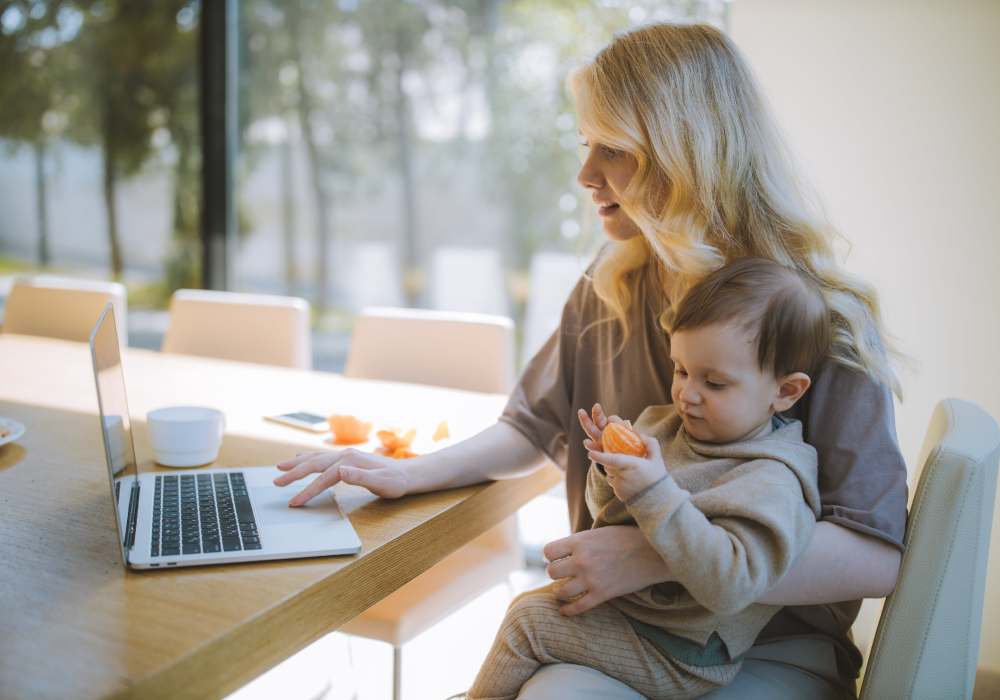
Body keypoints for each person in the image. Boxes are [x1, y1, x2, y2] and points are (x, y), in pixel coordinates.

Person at [274, 22, 907, 698]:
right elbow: (532, 427)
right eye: (586, 145)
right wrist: (410, 472)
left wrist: (655, 554)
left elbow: (874, 557)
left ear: (686, 154)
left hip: (768, 647)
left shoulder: (817, 320)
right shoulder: (611, 284)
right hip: (627, 622)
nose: (585, 175)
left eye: (615, 150)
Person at [466, 258, 830, 700]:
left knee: (528, 624)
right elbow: (610, 515)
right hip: (636, 617)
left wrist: (654, 491)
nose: (686, 395)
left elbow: (732, 583)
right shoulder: (667, 425)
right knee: (531, 608)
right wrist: (610, 468)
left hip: (683, 653)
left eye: (714, 383)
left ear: (786, 391)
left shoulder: (772, 477)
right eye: (681, 370)